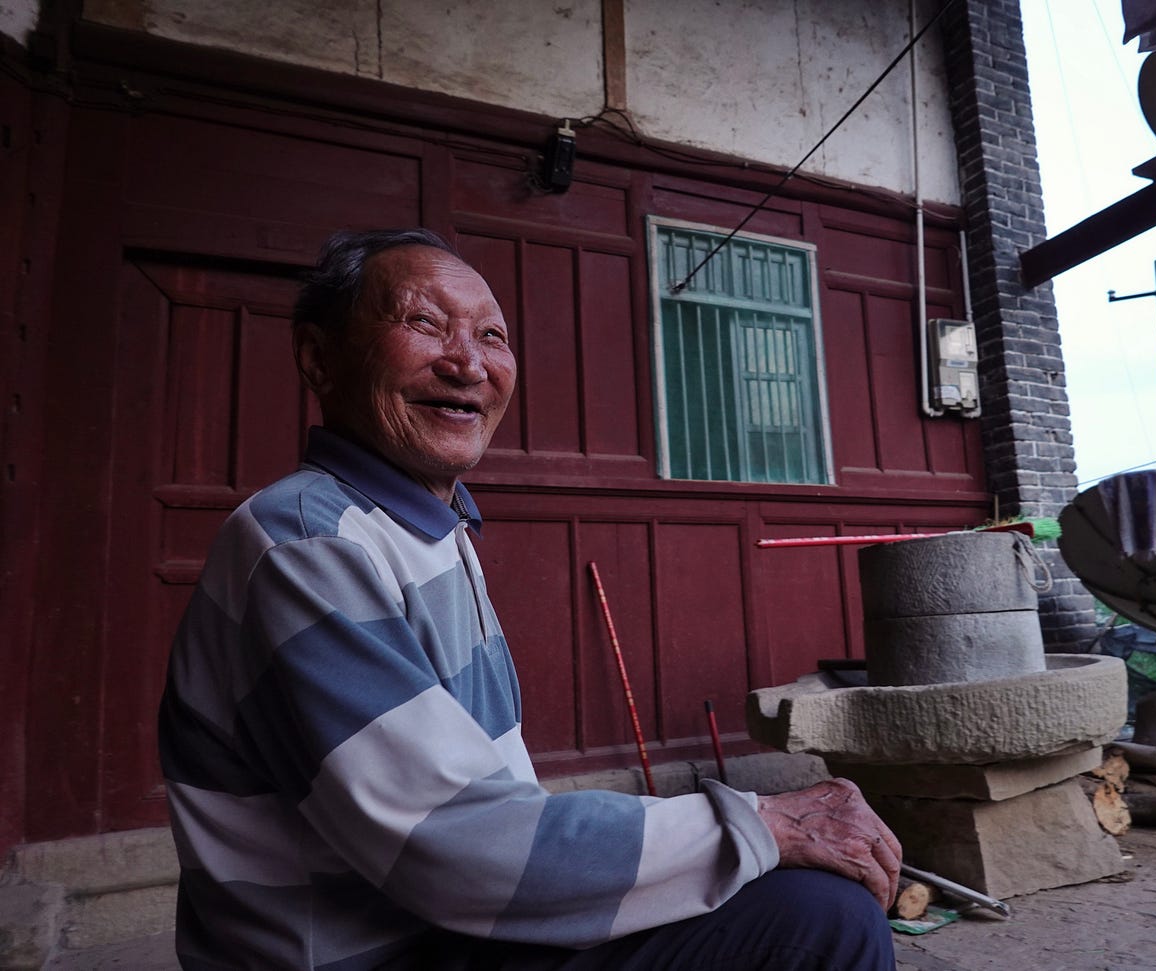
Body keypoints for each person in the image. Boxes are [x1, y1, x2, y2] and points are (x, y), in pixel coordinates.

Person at [158, 228, 901, 970]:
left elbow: (498, 817)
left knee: (793, 896)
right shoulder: (307, 541)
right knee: (821, 920)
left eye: (492, 336)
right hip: (377, 953)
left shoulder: (430, 527)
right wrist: (758, 821)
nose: (468, 363)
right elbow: (451, 844)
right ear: (319, 357)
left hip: (452, 927)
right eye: (424, 323)